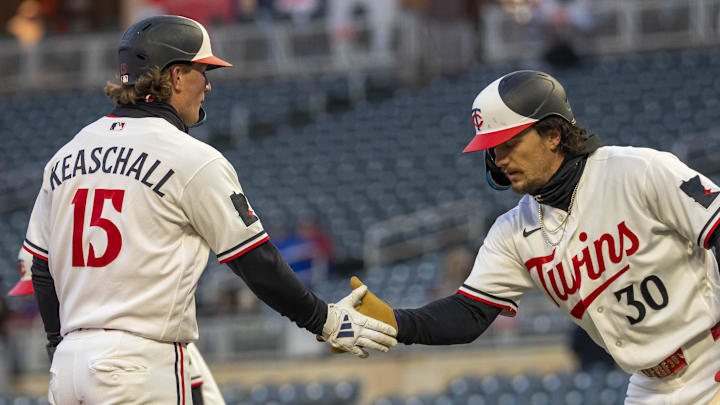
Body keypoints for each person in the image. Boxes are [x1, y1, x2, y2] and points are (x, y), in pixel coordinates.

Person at [22, 15, 396, 404]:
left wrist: (58, 348)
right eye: (203, 70)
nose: (209, 84)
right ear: (177, 76)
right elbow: (256, 260)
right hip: (139, 365)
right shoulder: (190, 158)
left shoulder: (67, 154)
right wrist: (324, 319)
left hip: (68, 366)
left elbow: (42, 269)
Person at [350, 70, 720, 404]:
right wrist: (395, 322)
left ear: (553, 134)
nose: (499, 159)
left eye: (508, 144)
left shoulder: (638, 171)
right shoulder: (512, 232)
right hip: (651, 386)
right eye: (492, 149)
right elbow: (469, 314)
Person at [9, 247, 226, 404]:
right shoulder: (75, 343)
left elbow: (196, 392)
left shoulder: (148, 334)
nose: (44, 302)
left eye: (41, 292)